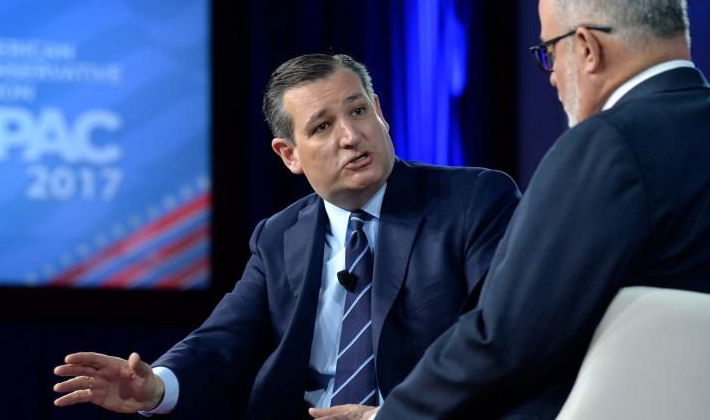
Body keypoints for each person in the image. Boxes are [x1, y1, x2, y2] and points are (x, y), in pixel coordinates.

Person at [53, 53, 521, 418]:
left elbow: (496, 337)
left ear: (380, 112)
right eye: (322, 126)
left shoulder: (472, 201)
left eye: (358, 111)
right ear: (289, 154)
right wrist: (156, 385)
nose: (351, 136)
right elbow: (223, 340)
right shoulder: (279, 237)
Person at [353, 0, 710, 419]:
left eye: (548, 51)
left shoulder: (608, 144)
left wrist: (390, 417)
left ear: (586, 47)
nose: (552, 78)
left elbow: (506, 338)